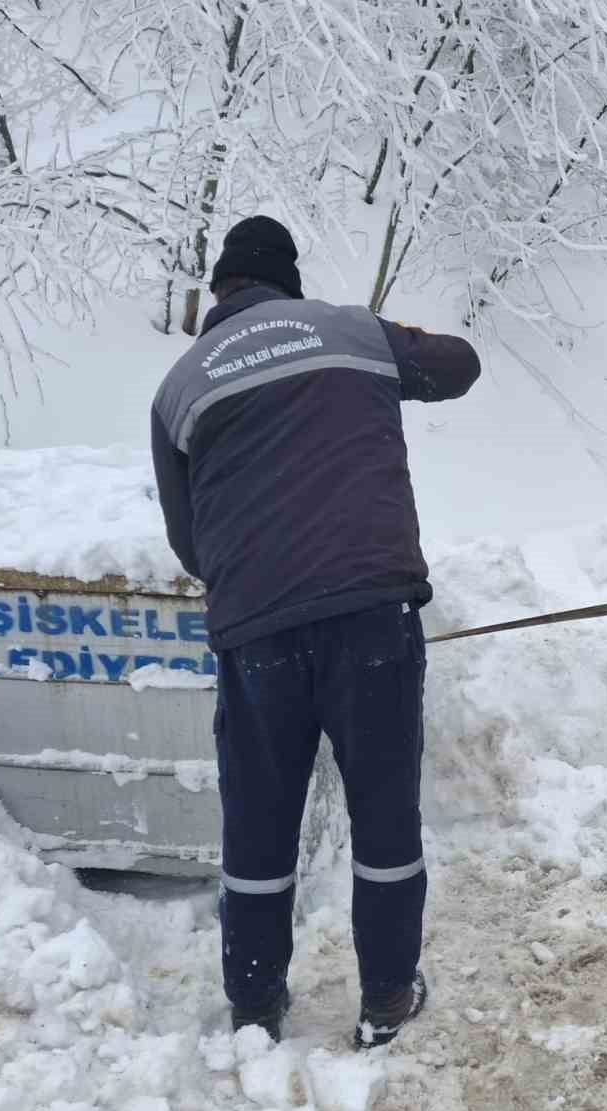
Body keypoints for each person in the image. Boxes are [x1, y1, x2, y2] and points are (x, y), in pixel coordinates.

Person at [150, 215, 481, 1047]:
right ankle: (386, 1001)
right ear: (285, 283)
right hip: (372, 615)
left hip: (258, 635)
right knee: (384, 816)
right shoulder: (349, 329)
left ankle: (257, 1006)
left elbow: (190, 545)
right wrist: (389, 342)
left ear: (220, 292)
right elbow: (460, 365)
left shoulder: (179, 387)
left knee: (259, 821)